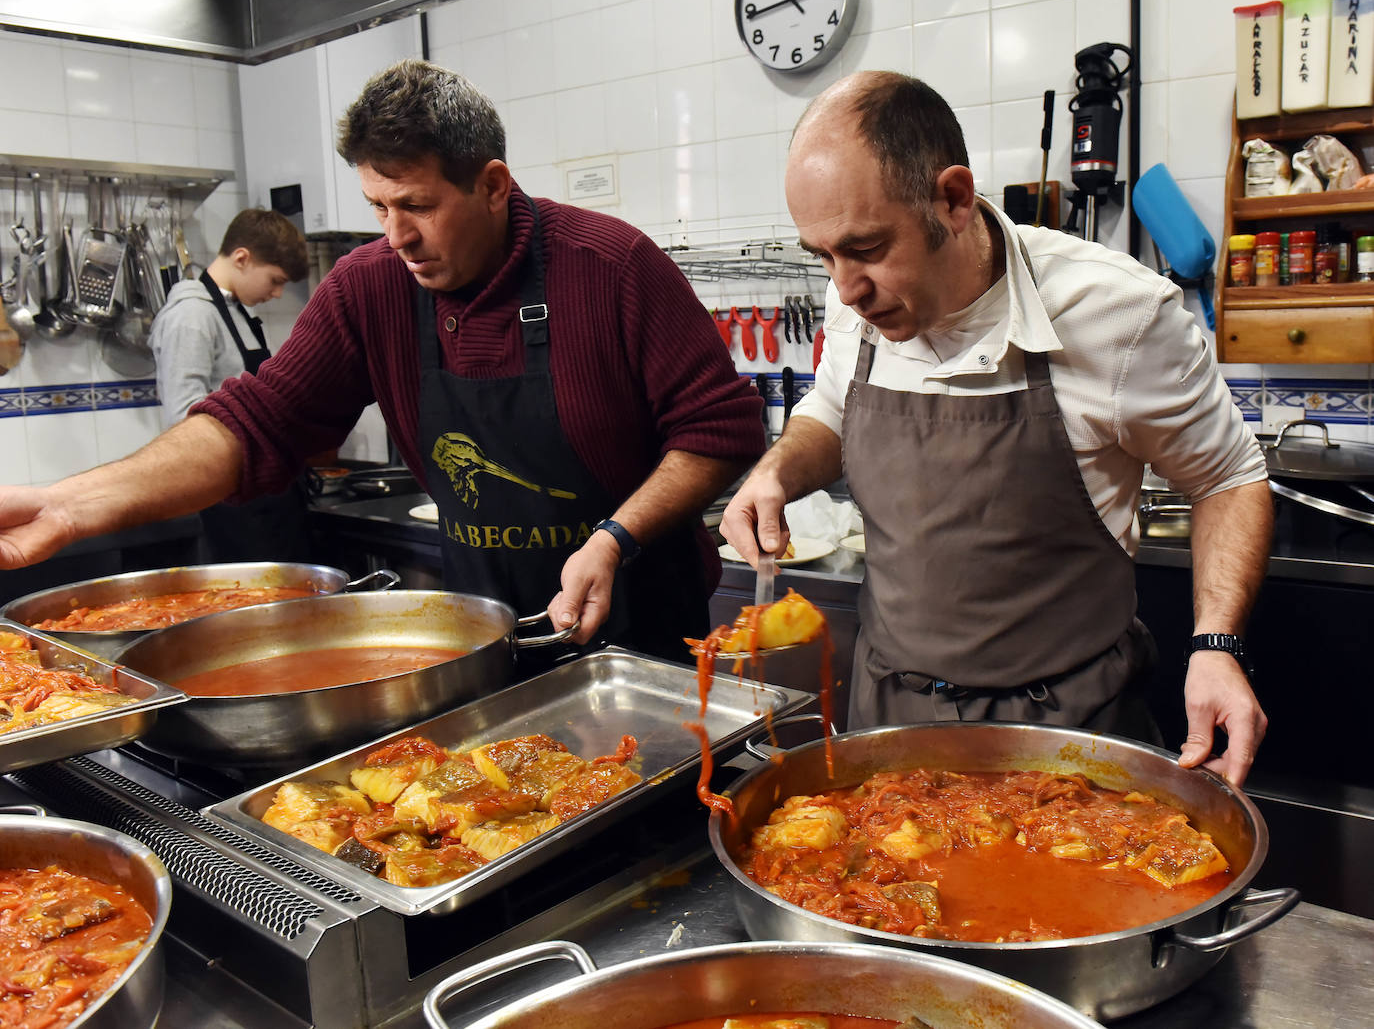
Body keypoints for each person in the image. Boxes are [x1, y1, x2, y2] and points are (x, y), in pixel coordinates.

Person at [0, 60, 764, 662]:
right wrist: (68, 506)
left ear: (493, 185)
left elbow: (720, 430)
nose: (395, 236)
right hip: (492, 631)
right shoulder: (368, 287)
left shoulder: (610, 264)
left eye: (418, 206)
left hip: (645, 627)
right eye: (377, 207)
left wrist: (614, 536)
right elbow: (254, 425)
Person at [720, 71, 1271, 786]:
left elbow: (1229, 477)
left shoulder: (1118, 314)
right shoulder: (853, 298)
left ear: (951, 199)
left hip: (1069, 736)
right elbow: (831, 410)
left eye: (864, 248)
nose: (846, 289)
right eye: (822, 256)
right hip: (889, 719)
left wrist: (1218, 645)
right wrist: (775, 472)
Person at [149, 209, 312, 563]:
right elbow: (184, 417)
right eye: (275, 280)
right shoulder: (192, 315)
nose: (278, 293)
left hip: (262, 494)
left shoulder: (233, 310)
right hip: (231, 502)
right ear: (242, 258)